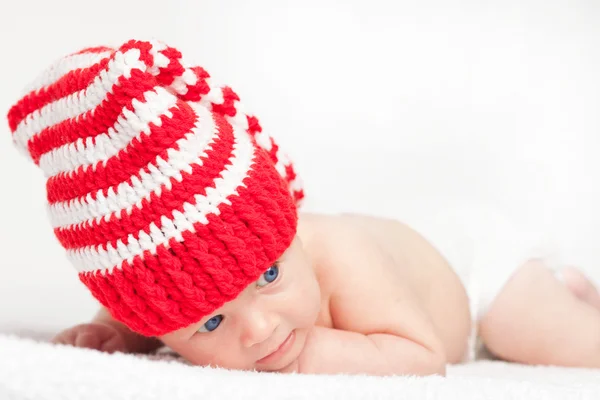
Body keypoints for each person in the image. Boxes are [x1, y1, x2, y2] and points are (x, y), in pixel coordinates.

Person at [7, 39, 600, 377]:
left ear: (287, 231)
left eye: (268, 276)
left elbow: (424, 358)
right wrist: (113, 336)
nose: (261, 328)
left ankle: (564, 291)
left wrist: (306, 355)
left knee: (558, 342)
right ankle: (565, 285)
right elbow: (153, 307)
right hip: (423, 256)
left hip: (474, 280)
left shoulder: (340, 258)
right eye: (210, 323)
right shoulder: (170, 297)